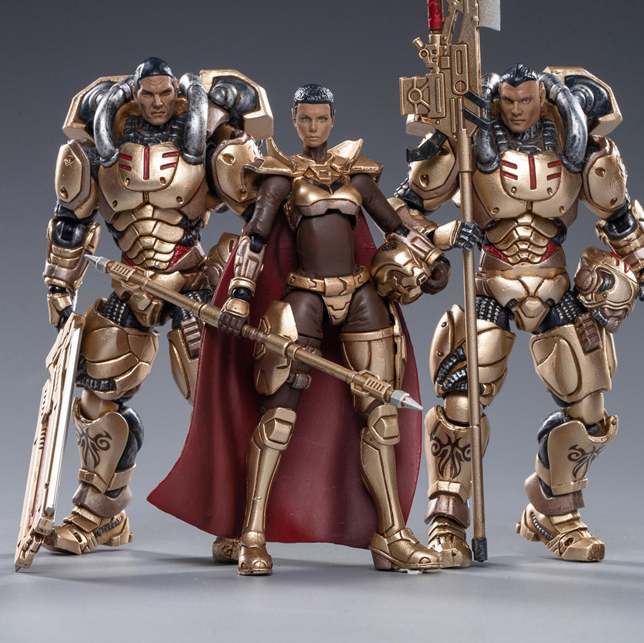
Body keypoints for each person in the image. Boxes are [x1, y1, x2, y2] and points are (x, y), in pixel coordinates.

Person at [151, 84, 447, 574]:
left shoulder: (355, 173)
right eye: (305, 119)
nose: (313, 127)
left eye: (321, 119)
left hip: (360, 295)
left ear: (332, 120)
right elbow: (255, 236)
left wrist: (429, 258)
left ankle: (391, 533)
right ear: (294, 120)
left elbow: (395, 226)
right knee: (278, 418)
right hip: (305, 296)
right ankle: (252, 533)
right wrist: (240, 294)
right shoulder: (281, 175)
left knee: (382, 416)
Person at [395, 64, 644, 564]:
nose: (517, 110)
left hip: (556, 286)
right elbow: (402, 208)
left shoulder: (578, 144)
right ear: (496, 100)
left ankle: (553, 512)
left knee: (589, 411)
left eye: (526, 101)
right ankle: (446, 521)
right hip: (489, 284)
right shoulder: (463, 142)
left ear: (543, 99)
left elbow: (620, 214)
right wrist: (442, 237)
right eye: (508, 102)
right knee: (460, 403)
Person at [41, 57, 271, 554]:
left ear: (179, 96)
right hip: (130, 288)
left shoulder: (210, 145)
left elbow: (261, 219)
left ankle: (239, 520)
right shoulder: (98, 152)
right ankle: (99, 515)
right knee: (96, 399)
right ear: (133, 96)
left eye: (165, 94)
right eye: (148, 94)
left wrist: (233, 277)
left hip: (191, 288)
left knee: (216, 402)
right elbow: (71, 220)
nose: (158, 103)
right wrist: (59, 284)